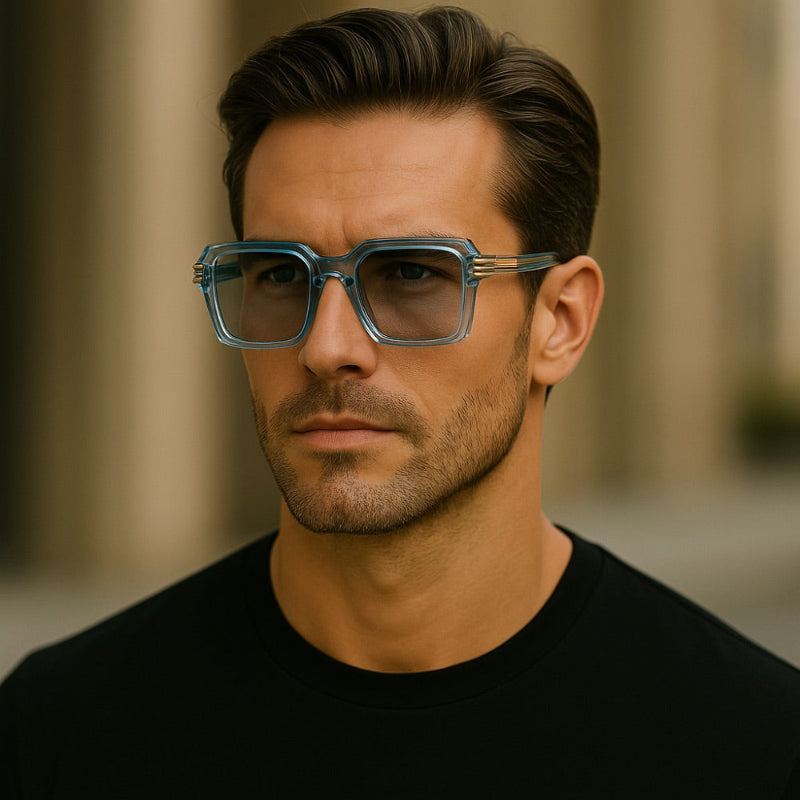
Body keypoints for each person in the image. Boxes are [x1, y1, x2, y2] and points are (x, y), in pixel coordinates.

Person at [1, 6, 799, 797]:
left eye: (412, 273)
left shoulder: (753, 748)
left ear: (560, 321)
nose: (326, 347)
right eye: (281, 274)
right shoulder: (58, 734)